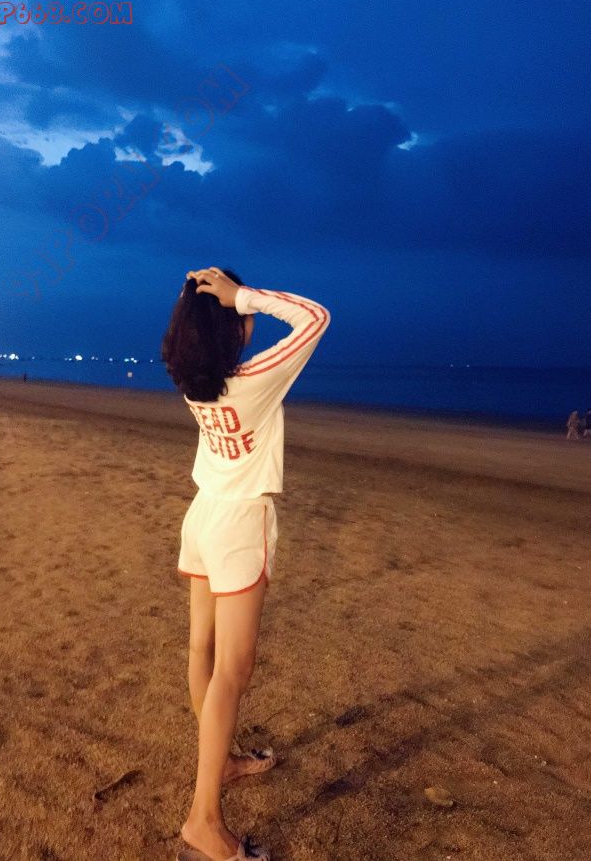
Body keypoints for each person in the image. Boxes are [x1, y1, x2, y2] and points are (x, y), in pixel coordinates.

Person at [161, 267, 331, 861]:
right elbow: (316, 318)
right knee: (232, 669)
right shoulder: (254, 379)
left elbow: (204, 343)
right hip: (237, 527)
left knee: (201, 650)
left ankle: (224, 763)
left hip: (204, 514)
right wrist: (244, 296)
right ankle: (203, 821)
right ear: (231, 324)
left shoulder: (193, 379)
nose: (250, 318)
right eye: (242, 315)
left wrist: (207, 302)